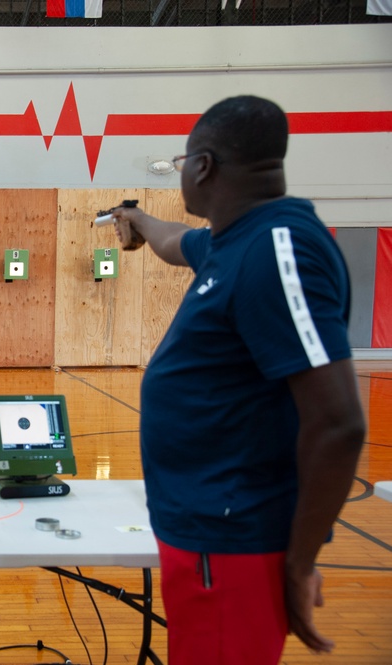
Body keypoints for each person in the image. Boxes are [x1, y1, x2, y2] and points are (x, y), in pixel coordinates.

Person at [110, 95, 366, 664]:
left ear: (202, 166)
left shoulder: (278, 250)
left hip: (230, 539)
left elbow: (339, 423)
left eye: (181, 165)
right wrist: (136, 221)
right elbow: (176, 240)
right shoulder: (235, 240)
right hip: (204, 531)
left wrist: (299, 564)